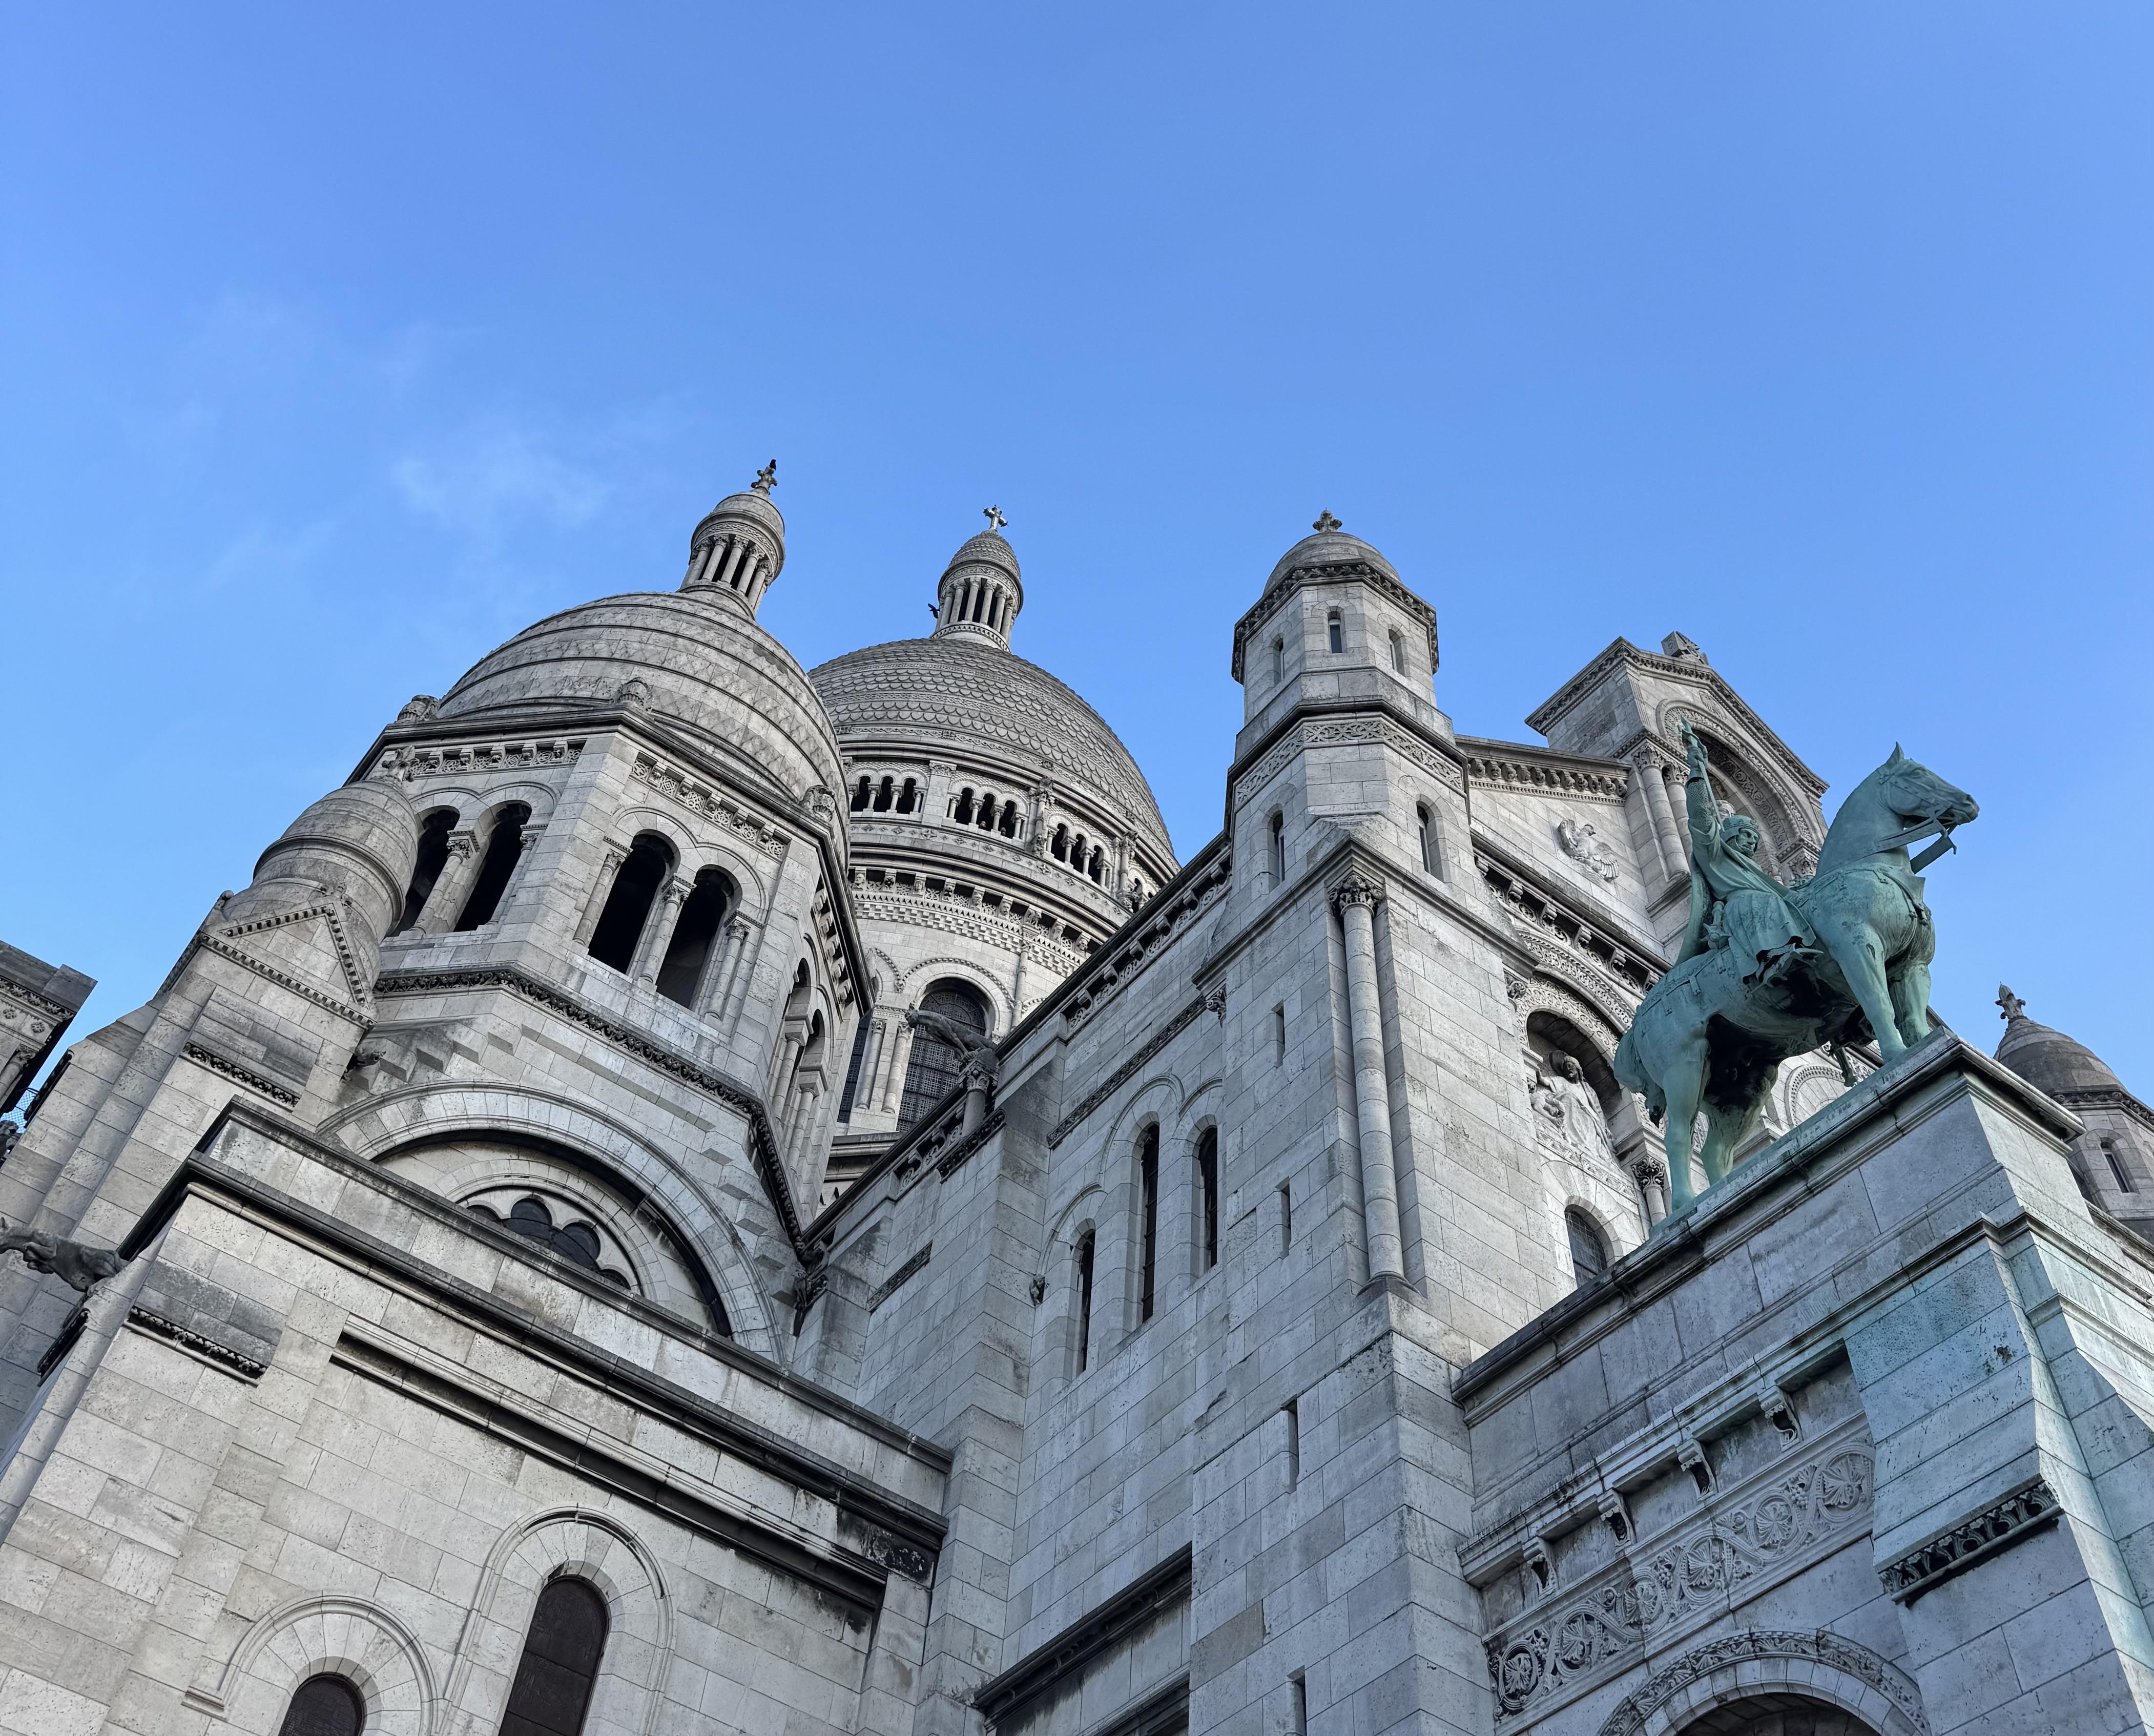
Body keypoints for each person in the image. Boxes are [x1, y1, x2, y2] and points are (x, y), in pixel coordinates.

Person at [1675, 719, 1816, 986]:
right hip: (1741, 909)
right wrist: (1697, 773)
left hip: (1769, 907)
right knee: (1760, 902)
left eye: (1755, 838)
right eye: (1746, 835)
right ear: (1729, 835)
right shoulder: (1715, 854)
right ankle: (1771, 961)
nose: (1752, 842)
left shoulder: (1759, 873)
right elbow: (1701, 817)